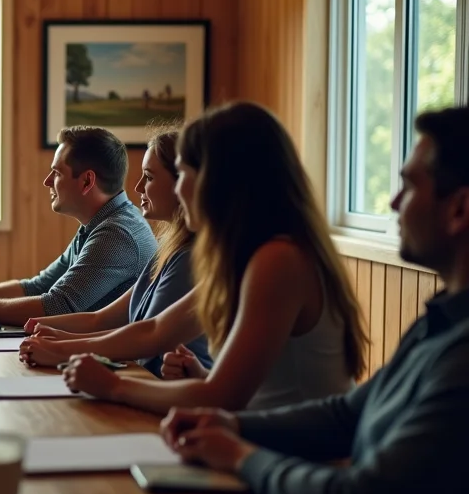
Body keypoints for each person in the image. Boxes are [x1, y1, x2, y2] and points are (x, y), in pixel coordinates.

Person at [161, 106, 469, 494]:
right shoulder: (440, 320)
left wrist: (240, 455)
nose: (392, 202)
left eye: (409, 186)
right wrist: (232, 425)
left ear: (459, 209)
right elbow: (346, 414)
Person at [49, 102, 366, 413]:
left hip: (295, 456)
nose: (180, 187)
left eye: (184, 172)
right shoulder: (243, 257)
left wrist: (112, 386)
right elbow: (159, 329)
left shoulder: (279, 260)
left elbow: (222, 396)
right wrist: (199, 376)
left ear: (219, 181)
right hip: (261, 442)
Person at [17, 128, 210, 377]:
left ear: (184, 184)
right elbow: (104, 320)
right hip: (147, 379)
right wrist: (54, 333)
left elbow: (148, 334)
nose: (138, 187)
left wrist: (64, 348)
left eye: (149, 177)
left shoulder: (187, 257)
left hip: (163, 386)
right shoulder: (169, 248)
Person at [0, 125, 158, 325]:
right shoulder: (102, 223)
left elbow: (57, 307)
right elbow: (38, 287)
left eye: (57, 172)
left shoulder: (117, 234)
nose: (47, 181)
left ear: (87, 181)